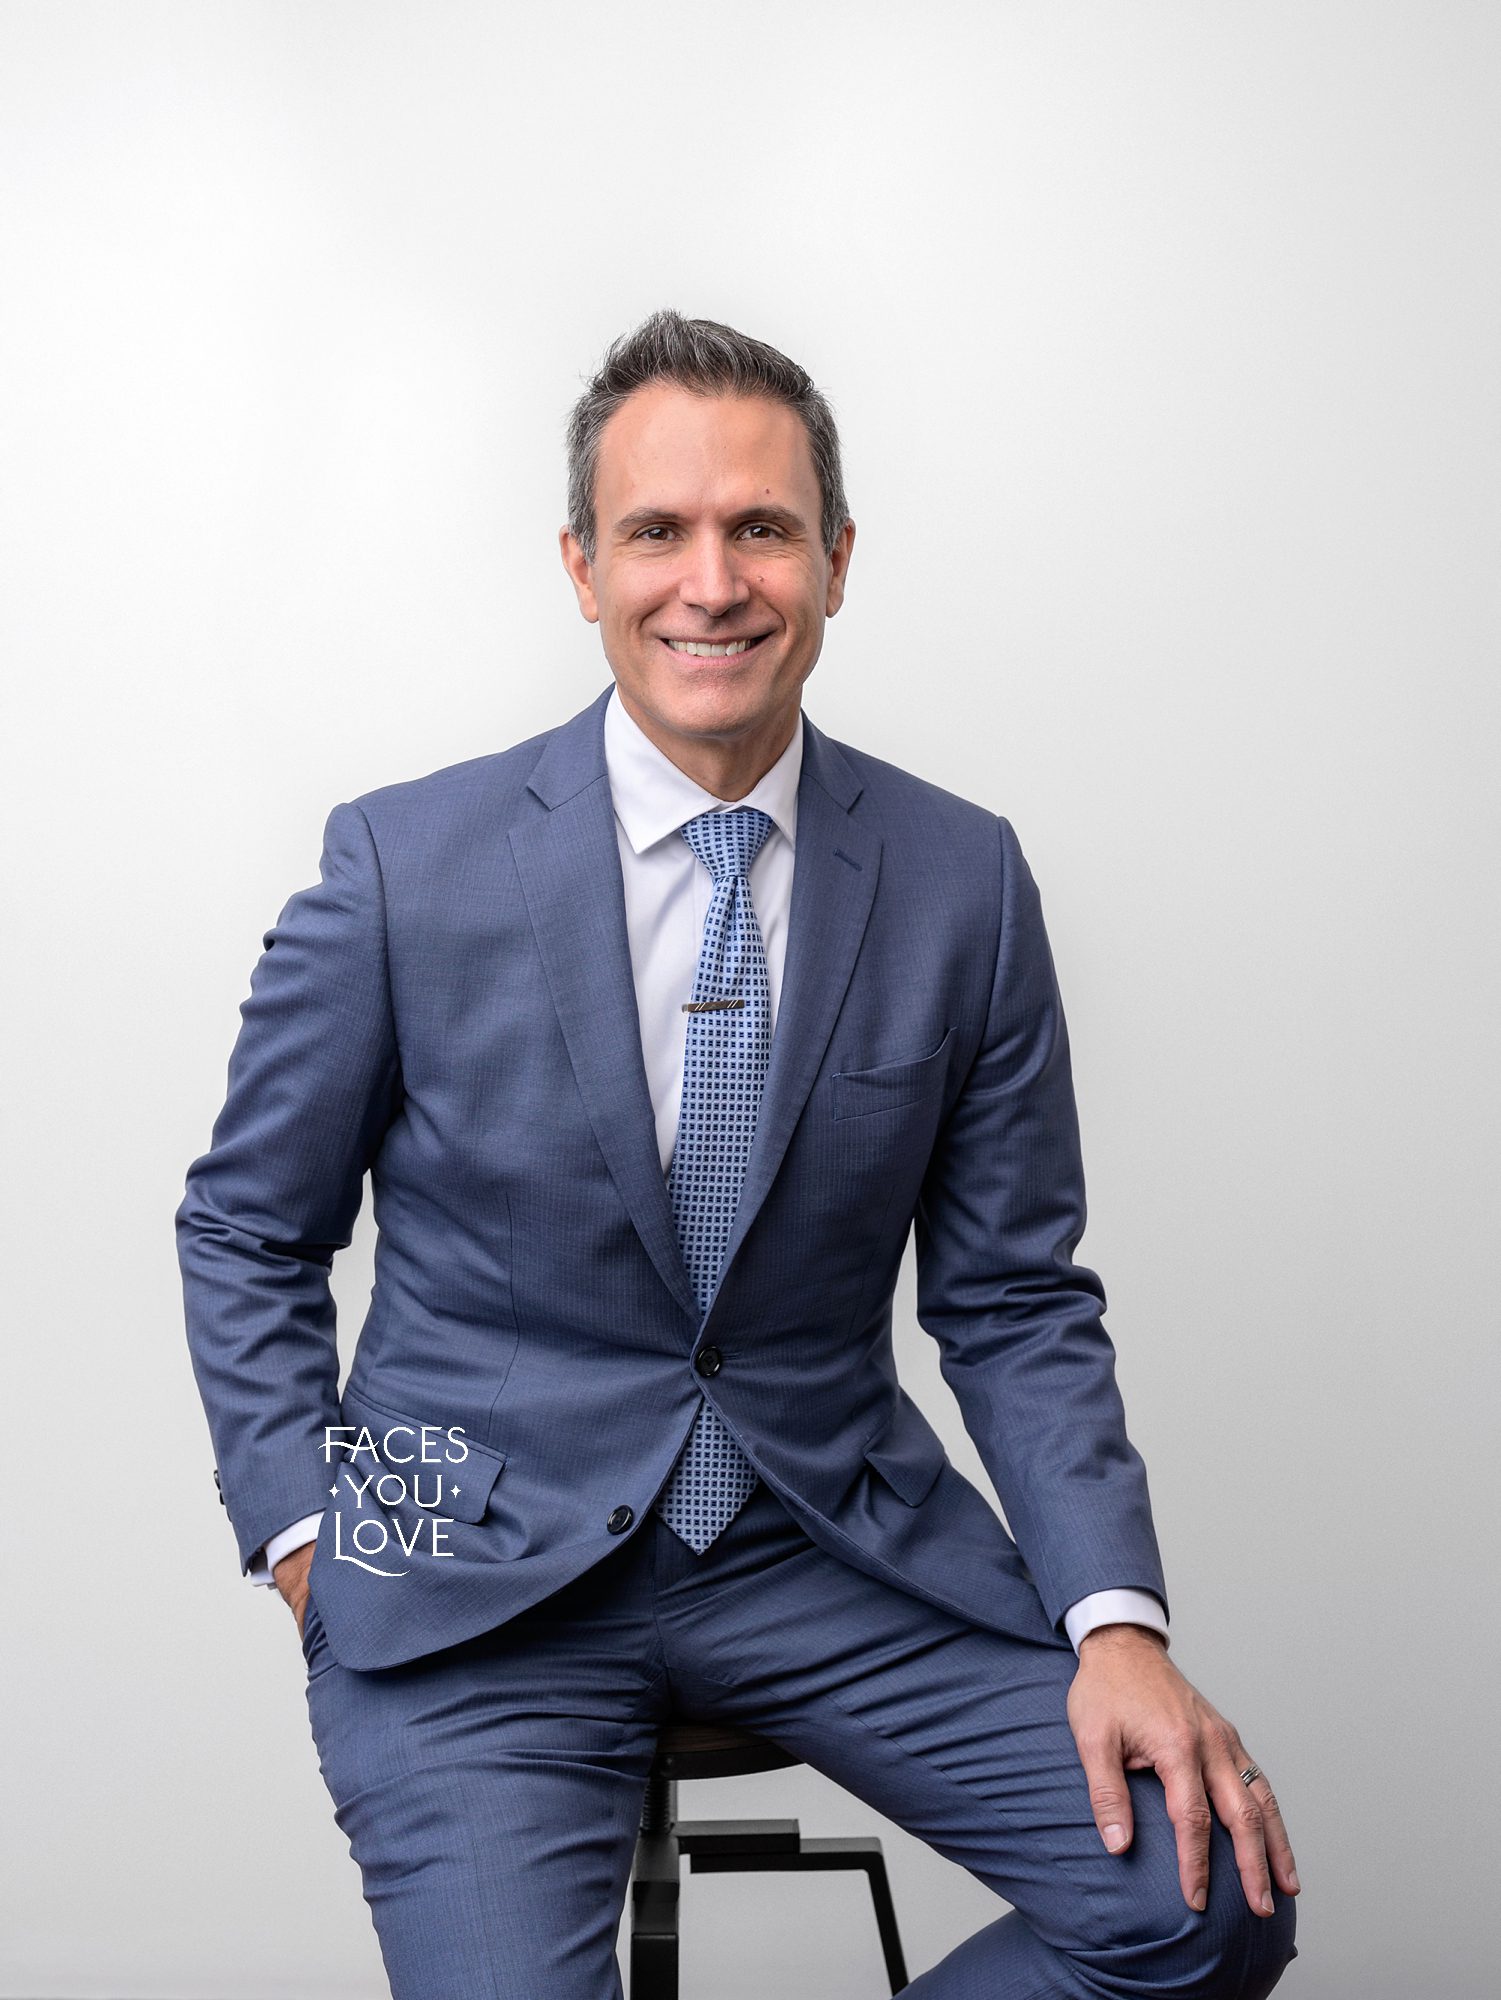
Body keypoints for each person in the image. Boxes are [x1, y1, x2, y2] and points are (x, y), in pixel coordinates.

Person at [177, 309, 1299, 1997]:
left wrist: (1114, 1623)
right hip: (470, 1573)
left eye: (760, 528)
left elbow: (1008, 1298)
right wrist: (303, 1544)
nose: (711, 581)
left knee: (1204, 1906)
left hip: (819, 1542)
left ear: (835, 562)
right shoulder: (406, 868)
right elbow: (247, 1230)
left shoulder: (960, 882)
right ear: (582, 566)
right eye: (658, 532)